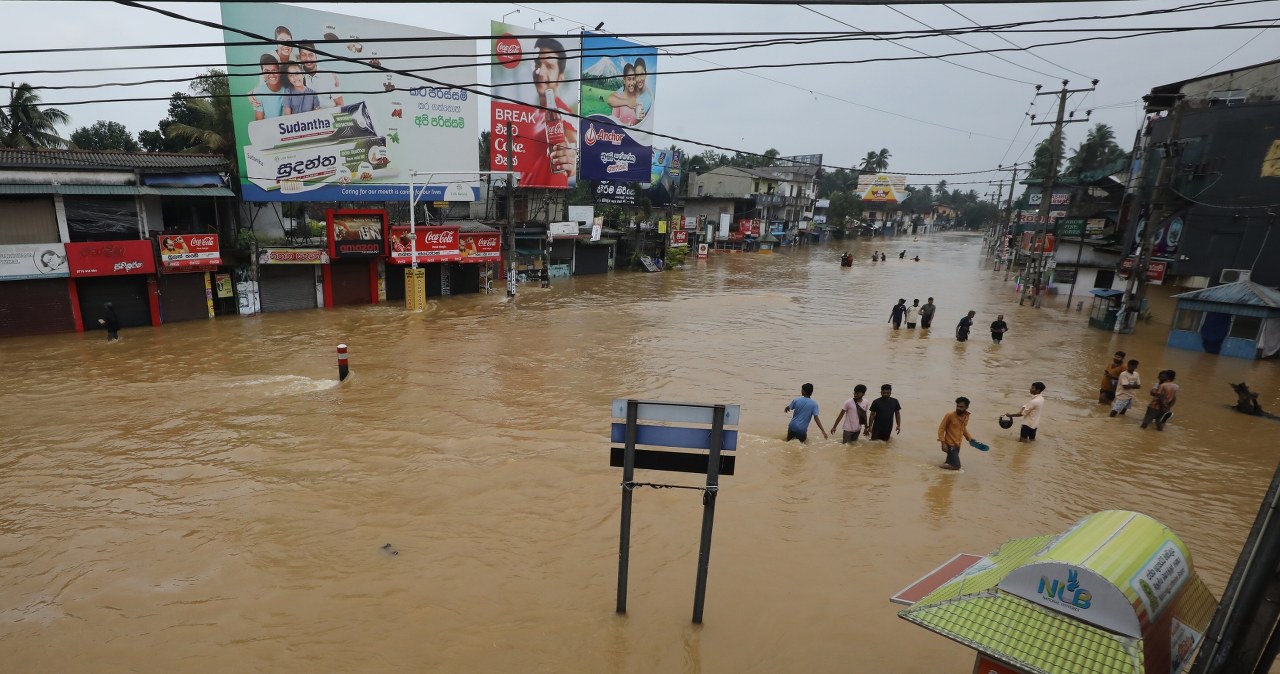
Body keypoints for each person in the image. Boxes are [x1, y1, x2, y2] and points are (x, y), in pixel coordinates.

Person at [526, 37, 578, 187]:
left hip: (548, 198)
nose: (540, 71)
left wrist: (571, 162)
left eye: (549, 66)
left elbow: (571, 145)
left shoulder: (560, 114)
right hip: (524, 195)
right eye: (537, 63)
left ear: (560, 78)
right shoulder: (534, 114)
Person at [299, 40, 344, 108]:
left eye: (311, 55)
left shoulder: (329, 76)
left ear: (316, 56)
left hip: (329, 115)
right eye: (304, 55)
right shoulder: (296, 77)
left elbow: (340, 104)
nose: (308, 59)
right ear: (300, 57)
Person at [937, 397, 976, 470]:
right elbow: (941, 429)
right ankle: (935, 467)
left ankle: (941, 474)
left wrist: (969, 438)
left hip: (958, 444)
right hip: (950, 444)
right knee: (957, 466)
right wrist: (943, 443)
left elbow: (963, 429)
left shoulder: (966, 417)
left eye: (961, 407)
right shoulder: (949, 415)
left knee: (949, 464)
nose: (958, 408)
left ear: (967, 407)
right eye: (957, 406)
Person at [249, 54, 285, 120]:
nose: (271, 74)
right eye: (266, 71)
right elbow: (259, 122)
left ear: (279, 71)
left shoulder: (288, 89)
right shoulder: (258, 93)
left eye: (274, 70)